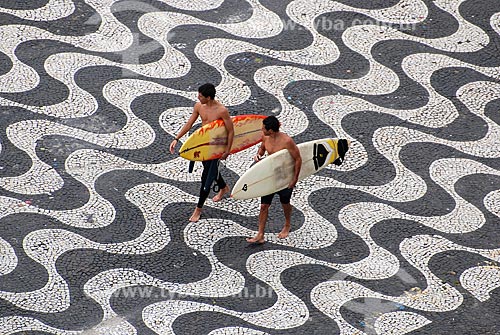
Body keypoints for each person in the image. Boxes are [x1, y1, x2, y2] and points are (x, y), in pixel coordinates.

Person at [169, 83, 234, 222]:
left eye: (201, 96)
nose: (198, 98)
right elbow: (189, 123)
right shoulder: (199, 106)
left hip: (216, 147)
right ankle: (224, 187)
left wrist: (227, 150)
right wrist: (177, 138)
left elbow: (231, 131)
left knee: (206, 177)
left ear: (209, 97)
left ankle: (198, 209)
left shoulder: (222, 111)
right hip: (203, 146)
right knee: (210, 169)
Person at [246, 115, 301, 244]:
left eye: (263, 128)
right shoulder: (265, 137)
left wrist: (294, 179)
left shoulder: (287, 141)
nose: (261, 129)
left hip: (284, 177)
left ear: (271, 130)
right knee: (264, 205)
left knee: (285, 203)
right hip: (270, 175)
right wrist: (259, 155)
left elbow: (298, 159)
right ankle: (260, 234)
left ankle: (287, 224)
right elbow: (262, 148)